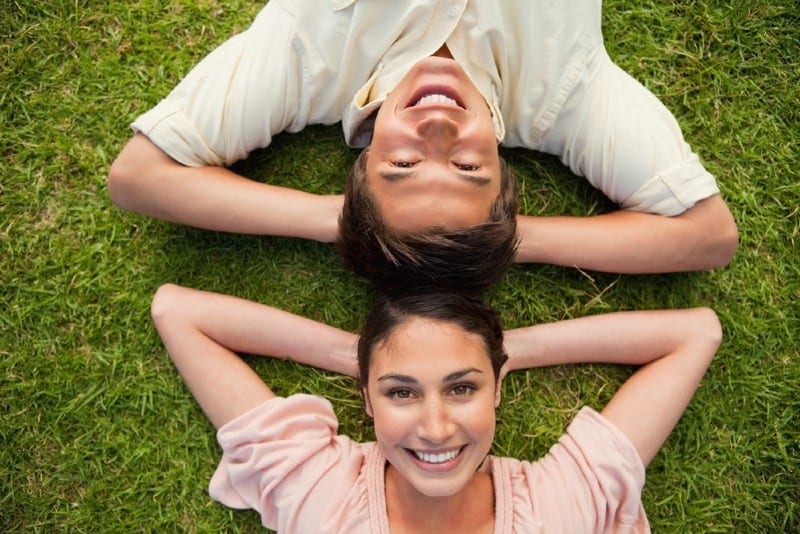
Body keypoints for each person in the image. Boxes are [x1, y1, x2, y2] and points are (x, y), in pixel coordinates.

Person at [108, 1, 738, 292]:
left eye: (402, 165)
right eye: (468, 167)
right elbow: (707, 235)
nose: (437, 129)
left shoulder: (310, 63)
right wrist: (493, 242)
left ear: (359, 167)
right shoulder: (563, 97)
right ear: (504, 178)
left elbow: (141, 175)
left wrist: (356, 227)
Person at [151, 284, 722, 532]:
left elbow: (695, 334)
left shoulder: (557, 509)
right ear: (367, 400)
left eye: (462, 388)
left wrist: (495, 353)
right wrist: (366, 357)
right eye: (401, 392)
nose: (436, 427)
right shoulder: (322, 496)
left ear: (497, 389)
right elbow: (177, 313)